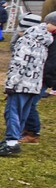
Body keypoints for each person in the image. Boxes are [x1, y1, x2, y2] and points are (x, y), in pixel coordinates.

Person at [0, 12, 56, 156]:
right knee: (22, 114)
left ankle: (11, 143)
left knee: (12, 112)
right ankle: (13, 138)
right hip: (34, 85)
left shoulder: (26, 41)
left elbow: (19, 65)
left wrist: (11, 84)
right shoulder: (44, 41)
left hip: (20, 85)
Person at [21, 14, 56, 143]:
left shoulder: (52, 41)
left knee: (30, 104)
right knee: (27, 103)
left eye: (48, 23)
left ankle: (33, 133)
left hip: (44, 77)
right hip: (39, 75)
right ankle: (26, 129)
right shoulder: (49, 38)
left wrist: (47, 79)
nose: (45, 25)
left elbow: (51, 63)